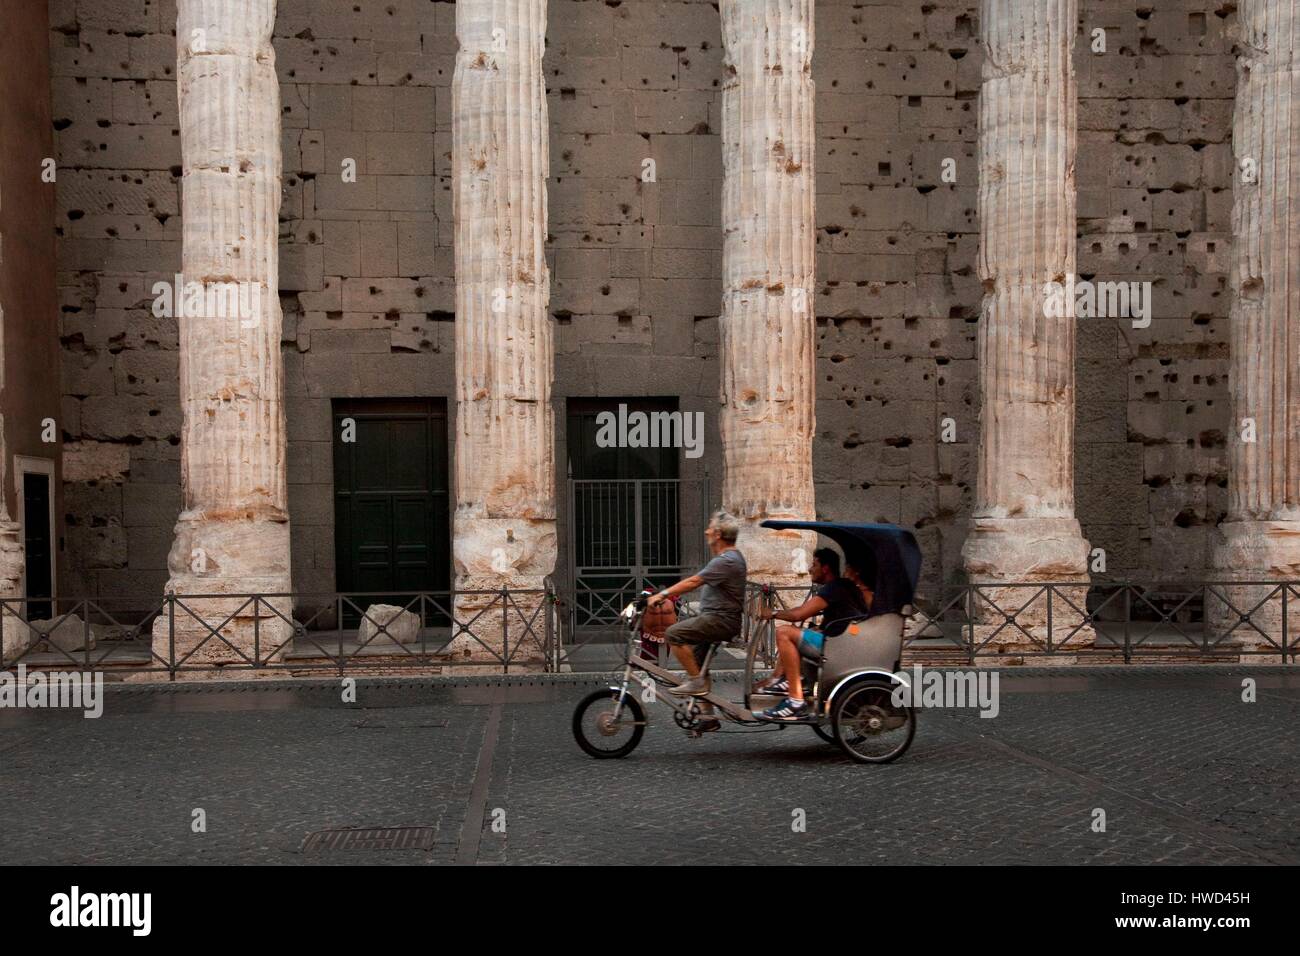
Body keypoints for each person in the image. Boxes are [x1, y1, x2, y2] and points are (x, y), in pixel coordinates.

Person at [647, 511, 747, 715]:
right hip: (715, 618)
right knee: (697, 661)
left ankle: (696, 683)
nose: (706, 531)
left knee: (674, 634)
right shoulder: (727, 558)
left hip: (720, 620)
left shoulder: (727, 560)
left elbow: (694, 581)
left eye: (709, 527)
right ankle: (707, 713)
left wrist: (662, 594)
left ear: (718, 533)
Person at [753, 547, 866, 721]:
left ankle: (795, 700)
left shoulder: (833, 588)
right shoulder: (845, 586)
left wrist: (773, 613)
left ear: (825, 568)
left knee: (784, 632)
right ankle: (785, 680)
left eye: (814, 564)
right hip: (844, 644)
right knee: (802, 632)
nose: (810, 569)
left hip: (835, 648)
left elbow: (798, 614)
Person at [636, 586, 677, 666]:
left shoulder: (670, 600)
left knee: (658, 661)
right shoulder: (647, 601)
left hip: (665, 633)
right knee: (650, 660)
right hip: (653, 633)